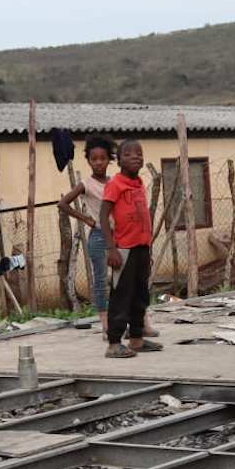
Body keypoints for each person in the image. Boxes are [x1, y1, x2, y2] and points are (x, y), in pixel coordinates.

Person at [56, 135, 155, 337]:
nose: (99, 163)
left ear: (110, 160)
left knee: (130, 281)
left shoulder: (117, 182)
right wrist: (85, 218)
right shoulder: (86, 184)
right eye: (94, 159)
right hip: (101, 237)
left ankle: (141, 324)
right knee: (101, 281)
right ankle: (106, 325)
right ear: (88, 161)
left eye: (102, 159)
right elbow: (63, 203)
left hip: (122, 235)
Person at [100, 139, 161, 358]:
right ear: (118, 161)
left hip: (141, 248)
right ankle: (114, 342)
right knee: (121, 296)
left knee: (140, 295)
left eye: (139, 154)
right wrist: (111, 248)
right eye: (128, 154)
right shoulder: (115, 184)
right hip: (123, 250)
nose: (135, 157)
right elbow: (103, 217)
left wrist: (148, 250)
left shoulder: (139, 185)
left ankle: (136, 338)